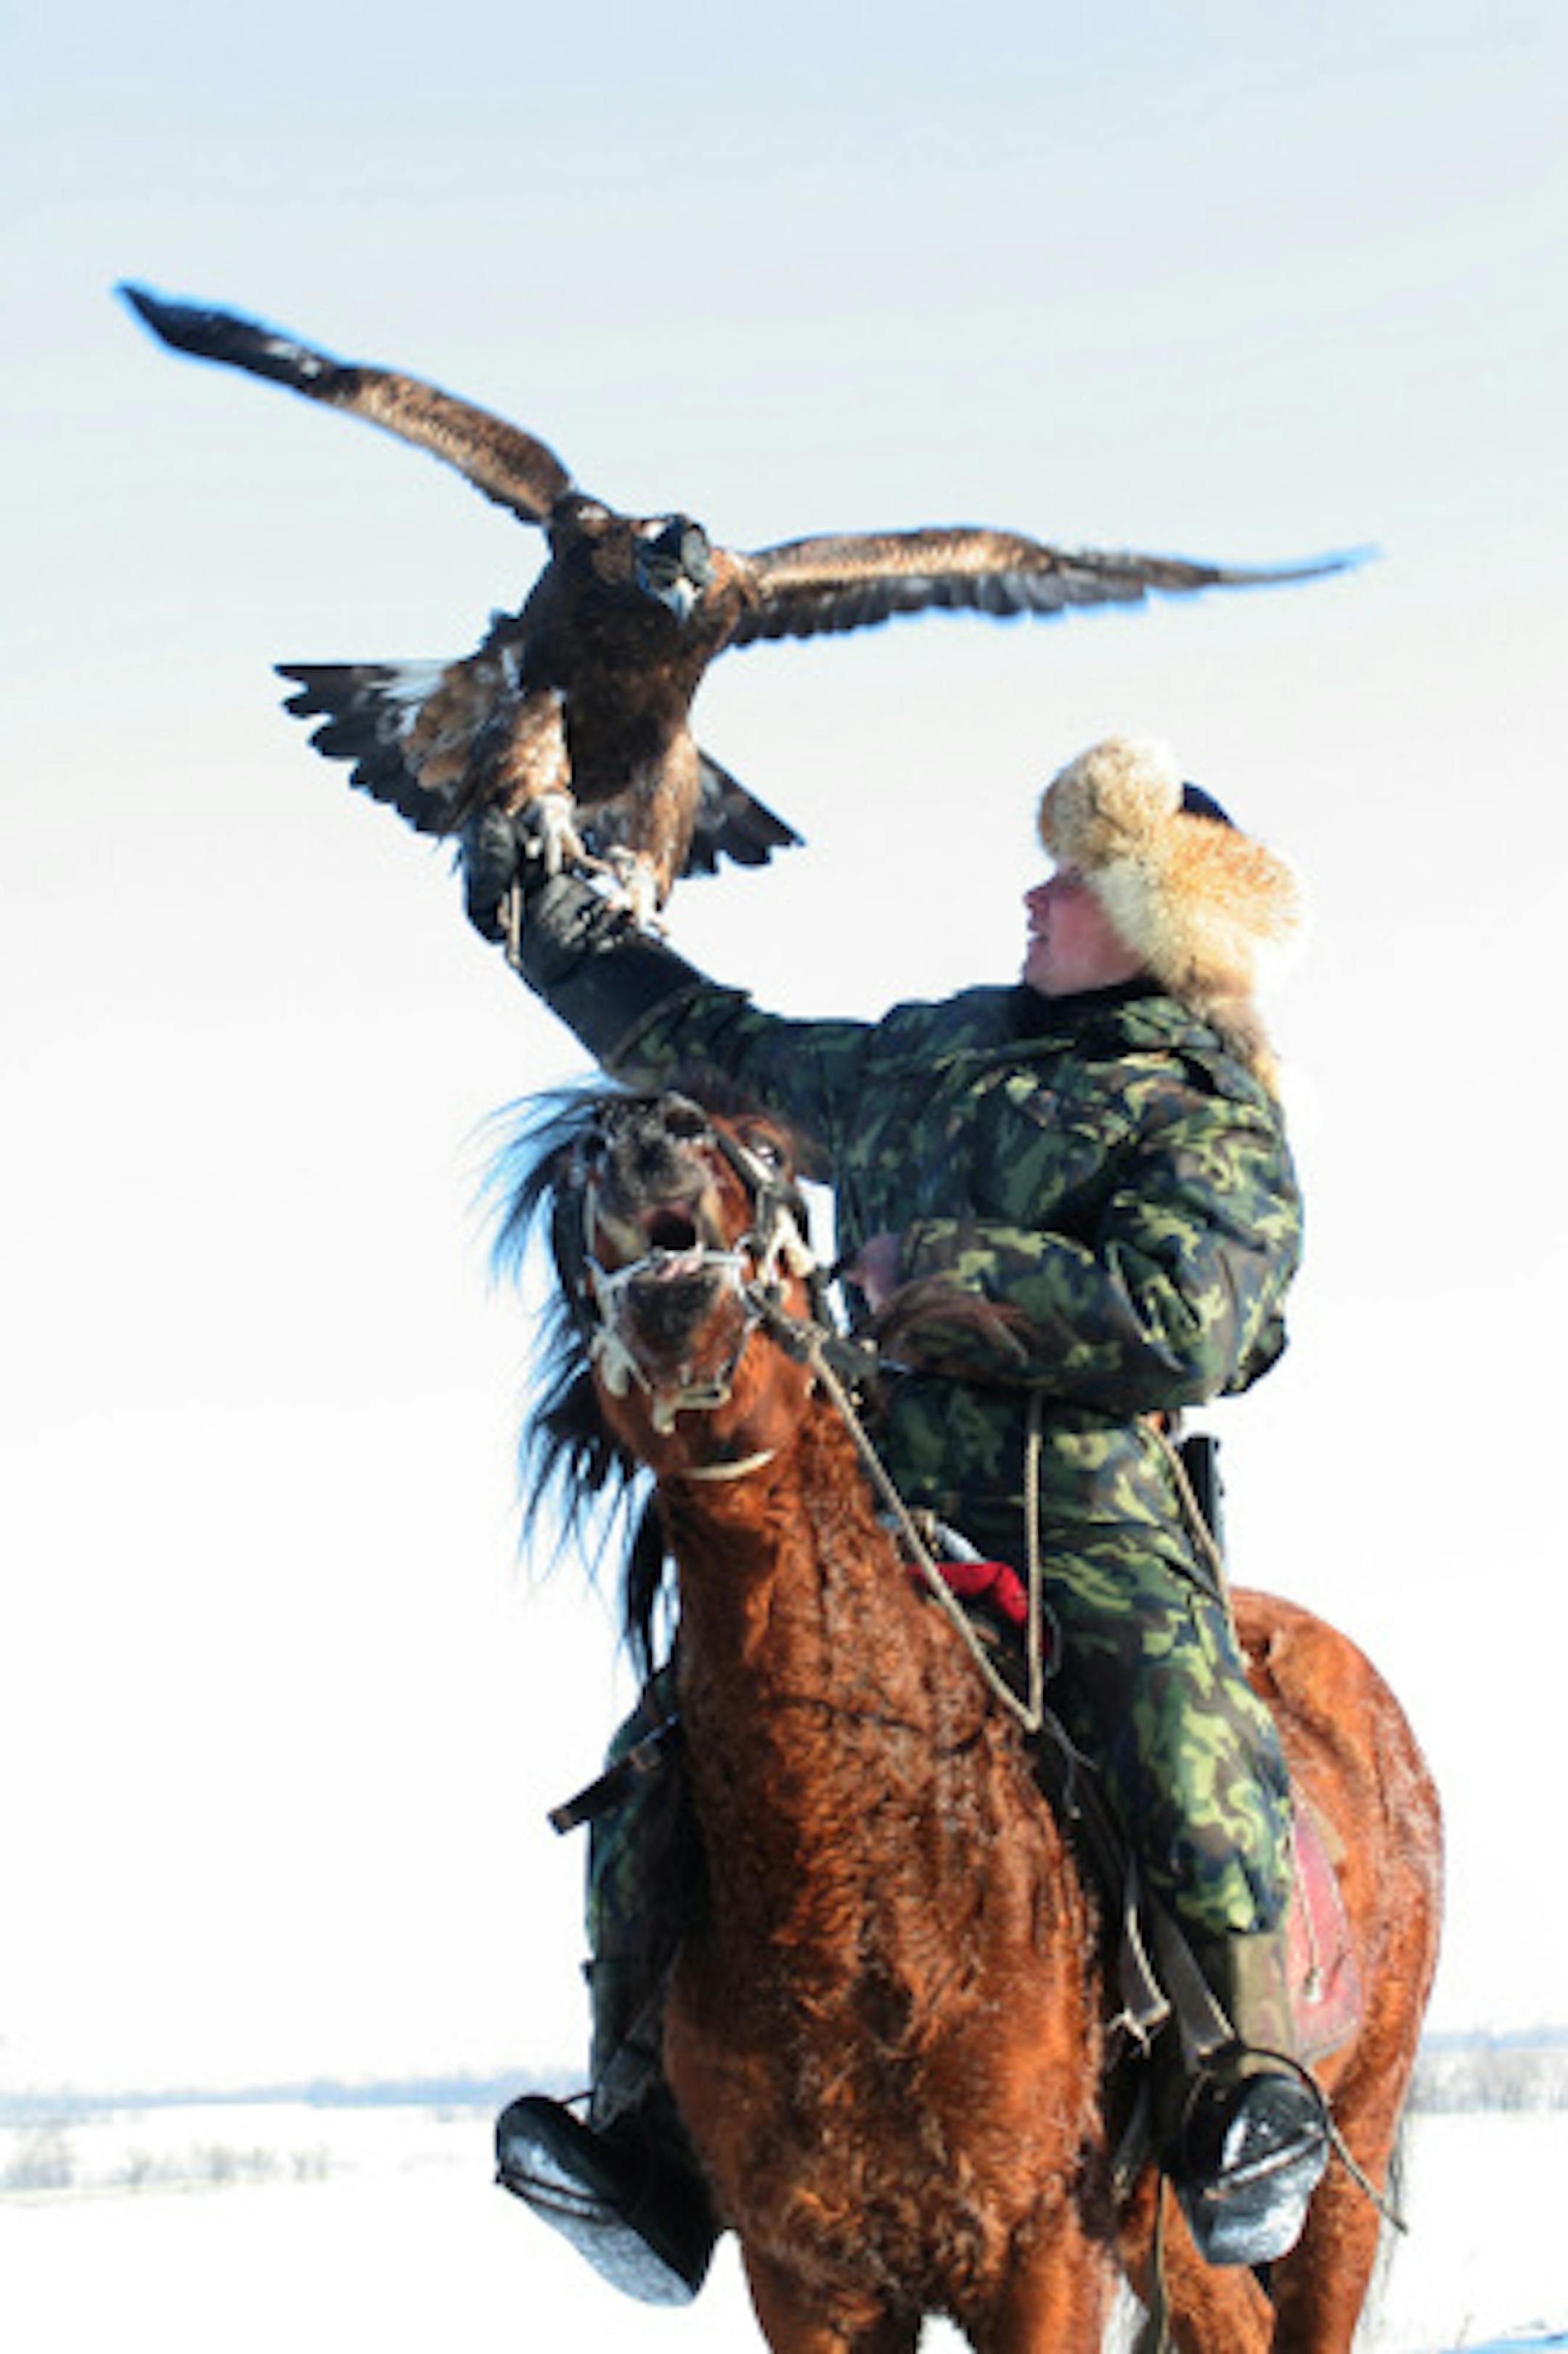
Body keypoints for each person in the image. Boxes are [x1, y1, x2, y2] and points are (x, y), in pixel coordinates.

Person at [474, 735, 1328, 2295]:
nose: (1033, 892)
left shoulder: (1205, 1112)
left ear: (1156, 913)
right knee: (664, 1759)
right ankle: (650, 2131)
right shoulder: (930, 1052)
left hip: (1081, 1514)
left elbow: (1188, 1318)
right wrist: (553, 927)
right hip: (863, 1513)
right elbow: (715, 1047)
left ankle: (1237, 2087)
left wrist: (922, 1279)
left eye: (1070, 878)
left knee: (1185, 1739)